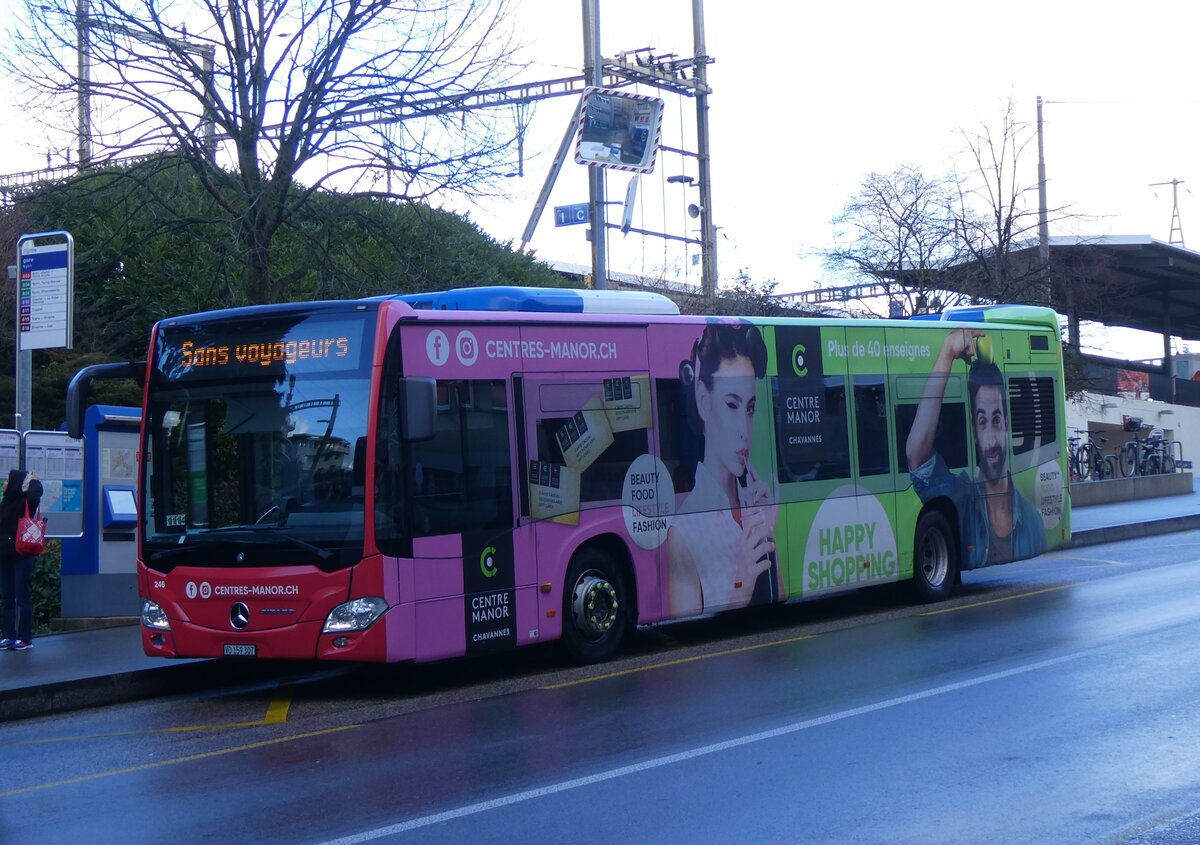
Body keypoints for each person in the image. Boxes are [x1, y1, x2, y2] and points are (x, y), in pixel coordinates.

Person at [905, 329, 1045, 568]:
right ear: (973, 430)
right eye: (982, 422)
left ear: (1007, 424)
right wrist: (947, 351)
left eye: (996, 420)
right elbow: (916, 456)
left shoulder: (1033, 521)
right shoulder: (960, 496)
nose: (991, 441)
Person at [668, 322, 780, 615]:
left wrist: (769, 537)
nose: (744, 430)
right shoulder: (684, 531)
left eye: (751, 408)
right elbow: (688, 639)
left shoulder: (756, 506)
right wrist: (740, 585)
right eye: (732, 405)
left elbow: (776, 607)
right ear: (704, 402)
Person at [0, 469, 43, 650]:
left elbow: (37, 492)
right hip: (4, 554)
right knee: (7, 597)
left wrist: (32, 480)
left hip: (23, 553)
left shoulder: (28, 501)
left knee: (22, 596)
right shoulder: (5, 502)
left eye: (7, 481)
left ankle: (25, 638)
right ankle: (8, 635)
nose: (4, 484)